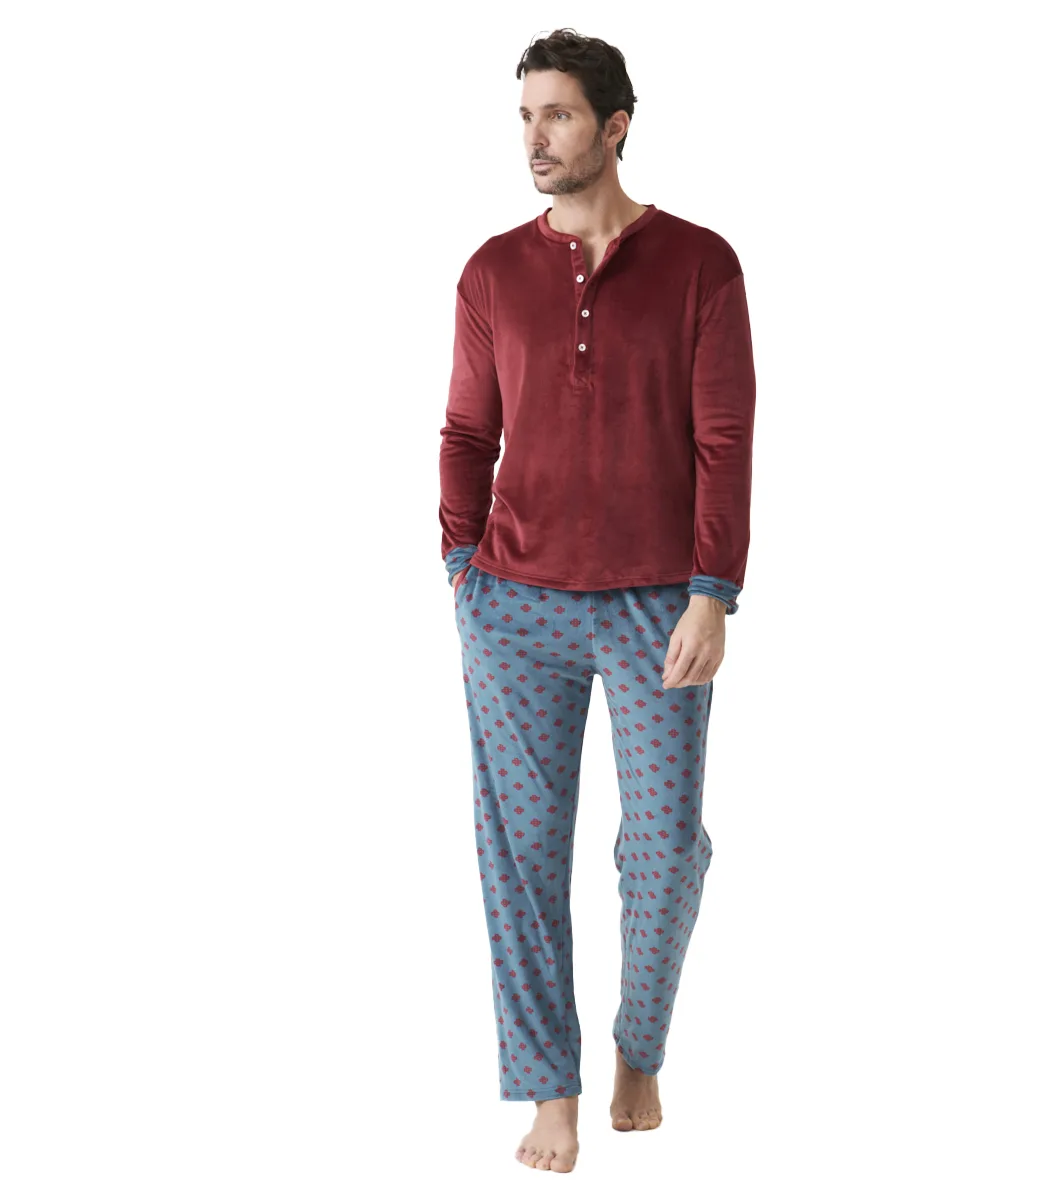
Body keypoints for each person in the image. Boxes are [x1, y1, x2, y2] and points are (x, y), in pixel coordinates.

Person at [438, 27, 756, 1173]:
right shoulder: (491, 272)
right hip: (512, 603)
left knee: (666, 849)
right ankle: (550, 1091)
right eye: (526, 115)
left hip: (657, 604)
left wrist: (713, 591)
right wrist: (461, 566)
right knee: (520, 855)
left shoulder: (701, 265)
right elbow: (467, 430)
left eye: (559, 115)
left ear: (615, 126)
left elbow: (724, 440)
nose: (536, 137)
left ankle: (640, 1048)